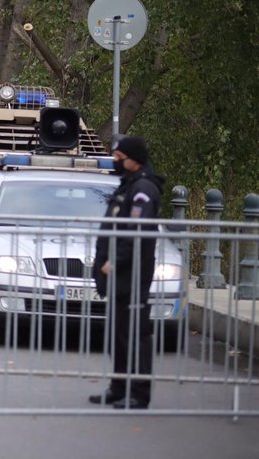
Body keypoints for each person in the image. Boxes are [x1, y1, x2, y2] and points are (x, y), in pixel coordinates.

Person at [89, 135, 164, 410]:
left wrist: (116, 261)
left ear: (135, 159)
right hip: (120, 274)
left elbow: (136, 230)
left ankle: (139, 392)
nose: (116, 161)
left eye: (120, 158)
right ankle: (119, 388)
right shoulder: (128, 185)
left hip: (132, 272)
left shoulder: (143, 189)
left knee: (135, 334)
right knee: (118, 334)